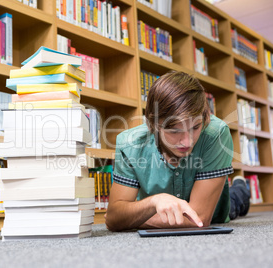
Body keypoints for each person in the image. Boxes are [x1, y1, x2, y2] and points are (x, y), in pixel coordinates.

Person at [105, 71, 250, 231]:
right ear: (153, 124)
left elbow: (199, 219)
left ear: (205, 116)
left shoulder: (216, 133)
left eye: (195, 127)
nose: (188, 142)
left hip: (215, 209)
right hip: (160, 210)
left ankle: (240, 186)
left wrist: (129, 220)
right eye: (174, 131)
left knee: (234, 201)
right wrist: (154, 201)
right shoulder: (129, 144)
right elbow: (114, 218)